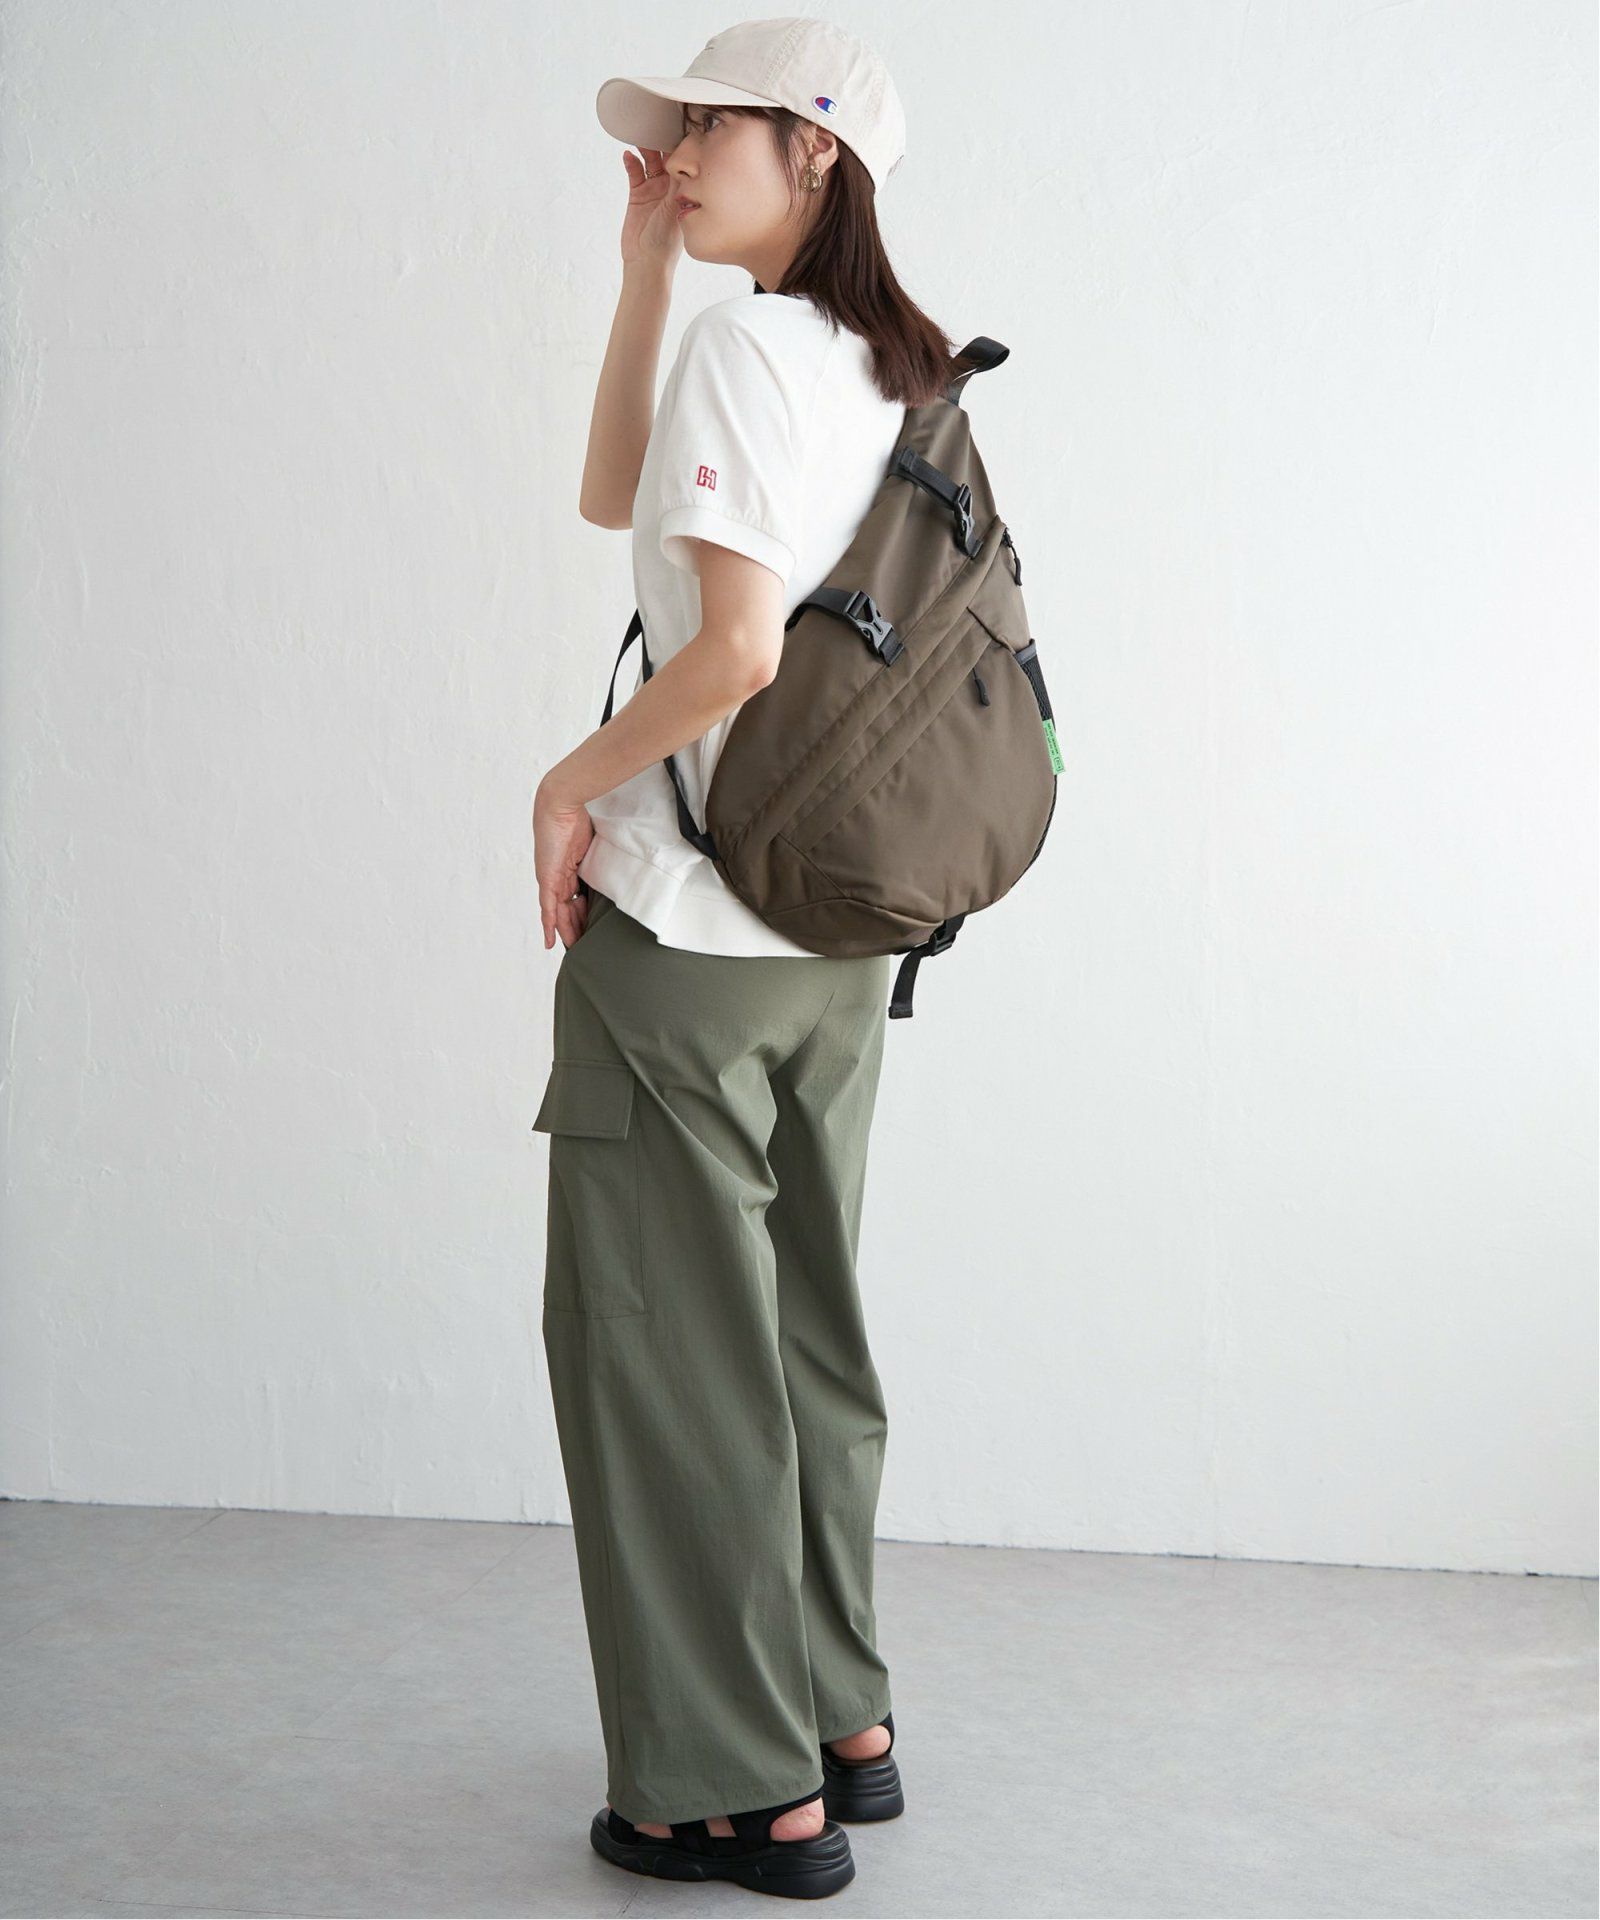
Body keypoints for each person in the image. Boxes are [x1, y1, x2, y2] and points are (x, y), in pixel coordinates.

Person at [528, 17, 969, 1898]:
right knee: (803, 1331)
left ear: (818, 156)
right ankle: (841, 1715)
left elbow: (732, 656)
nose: (685, 152)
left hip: (691, 946)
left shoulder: (749, 351)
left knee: (660, 1355)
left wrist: (566, 781)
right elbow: (614, 494)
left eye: (720, 127)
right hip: (838, 942)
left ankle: (729, 1790)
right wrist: (643, 267)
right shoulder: (896, 366)